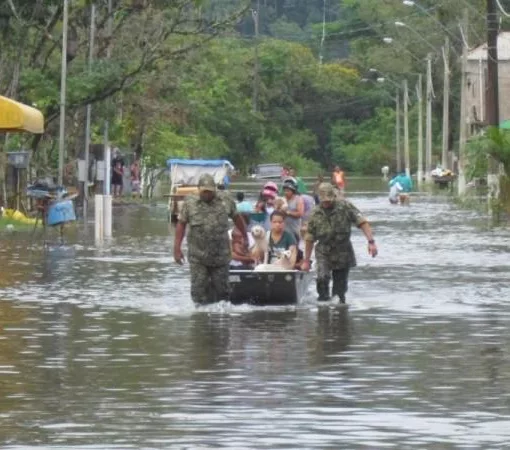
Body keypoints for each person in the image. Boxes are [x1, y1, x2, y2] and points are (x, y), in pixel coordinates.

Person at [174, 173, 248, 305]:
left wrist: (245, 236)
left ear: (215, 190)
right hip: (198, 256)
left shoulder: (226, 200)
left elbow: (237, 218)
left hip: (221, 256)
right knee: (198, 291)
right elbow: (181, 224)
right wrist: (177, 249)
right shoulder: (190, 202)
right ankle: (200, 320)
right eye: (204, 192)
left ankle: (220, 321)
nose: (207, 194)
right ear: (198, 189)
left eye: (210, 191)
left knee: (223, 293)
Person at [301, 182, 378, 303]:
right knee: (322, 278)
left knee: (339, 291)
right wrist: (306, 261)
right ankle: (323, 306)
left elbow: (362, 222)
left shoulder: (345, 207)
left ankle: (340, 315)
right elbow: (309, 237)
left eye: (329, 200)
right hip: (323, 251)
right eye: (324, 201)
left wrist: (371, 242)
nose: (326, 203)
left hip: (343, 251)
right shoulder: (315, 213)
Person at [229, 202, 258, 270]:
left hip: (249, 267)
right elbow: (231, 255)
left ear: (247, 224)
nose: (240, 224)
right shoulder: (229, 233)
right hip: (232, 266)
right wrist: (248, 258)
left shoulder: (252, 236)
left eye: (243, 222)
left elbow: (254, 255)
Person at [280, 177, 304, 243]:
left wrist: (288, 212)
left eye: (288, 191)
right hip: (284, 229)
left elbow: (300, 213)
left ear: (293, 191)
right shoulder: (282, 199)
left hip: (295, 229)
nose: (286, 192)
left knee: (295, 249)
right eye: (285, 190)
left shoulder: (298, 199)